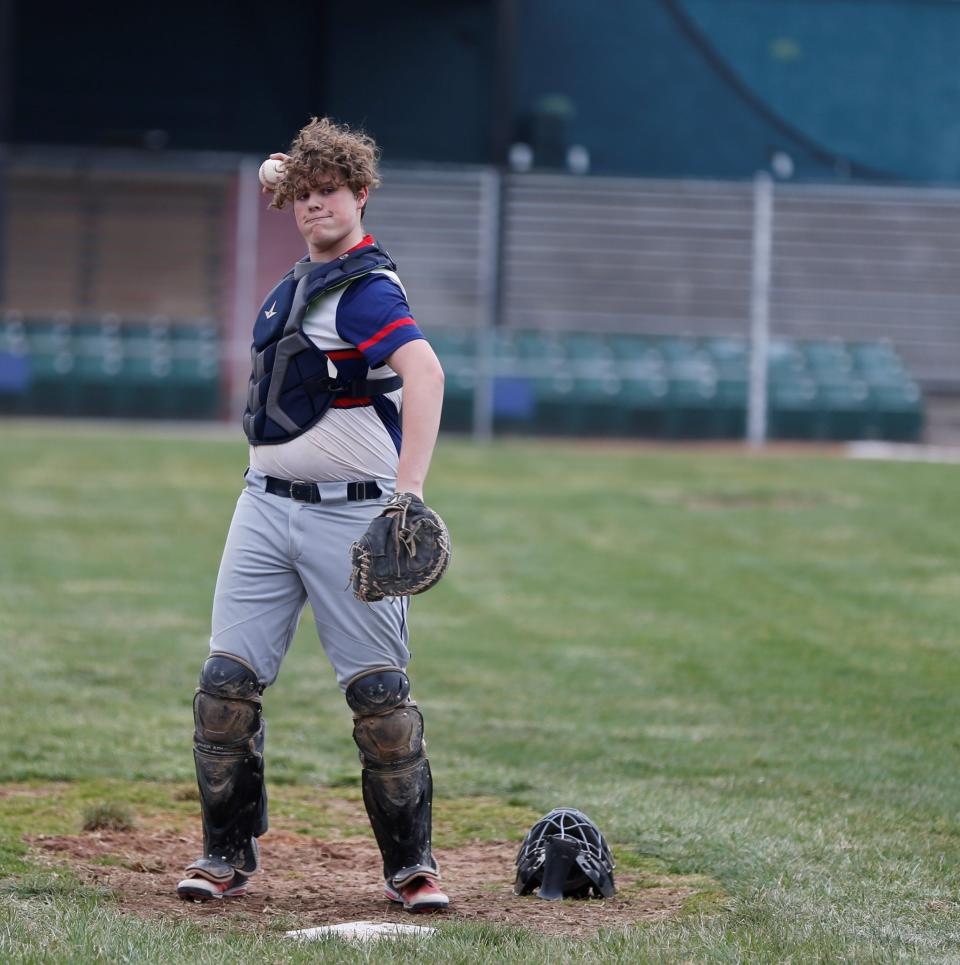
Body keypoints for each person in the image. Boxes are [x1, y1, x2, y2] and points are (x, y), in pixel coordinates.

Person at [175, 117, 448, 913]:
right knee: (224, 689)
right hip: (261, 510)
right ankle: (224, 855)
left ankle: (412, 866)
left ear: (363, 195)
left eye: (331, 192)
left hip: (349, 518)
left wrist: (410, 493)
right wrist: (292, 173)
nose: (313, 204)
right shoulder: (305, 271)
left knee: (381, 703)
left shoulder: (366, 291)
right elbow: (292, 184)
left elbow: (425, 375)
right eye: (303, 195)